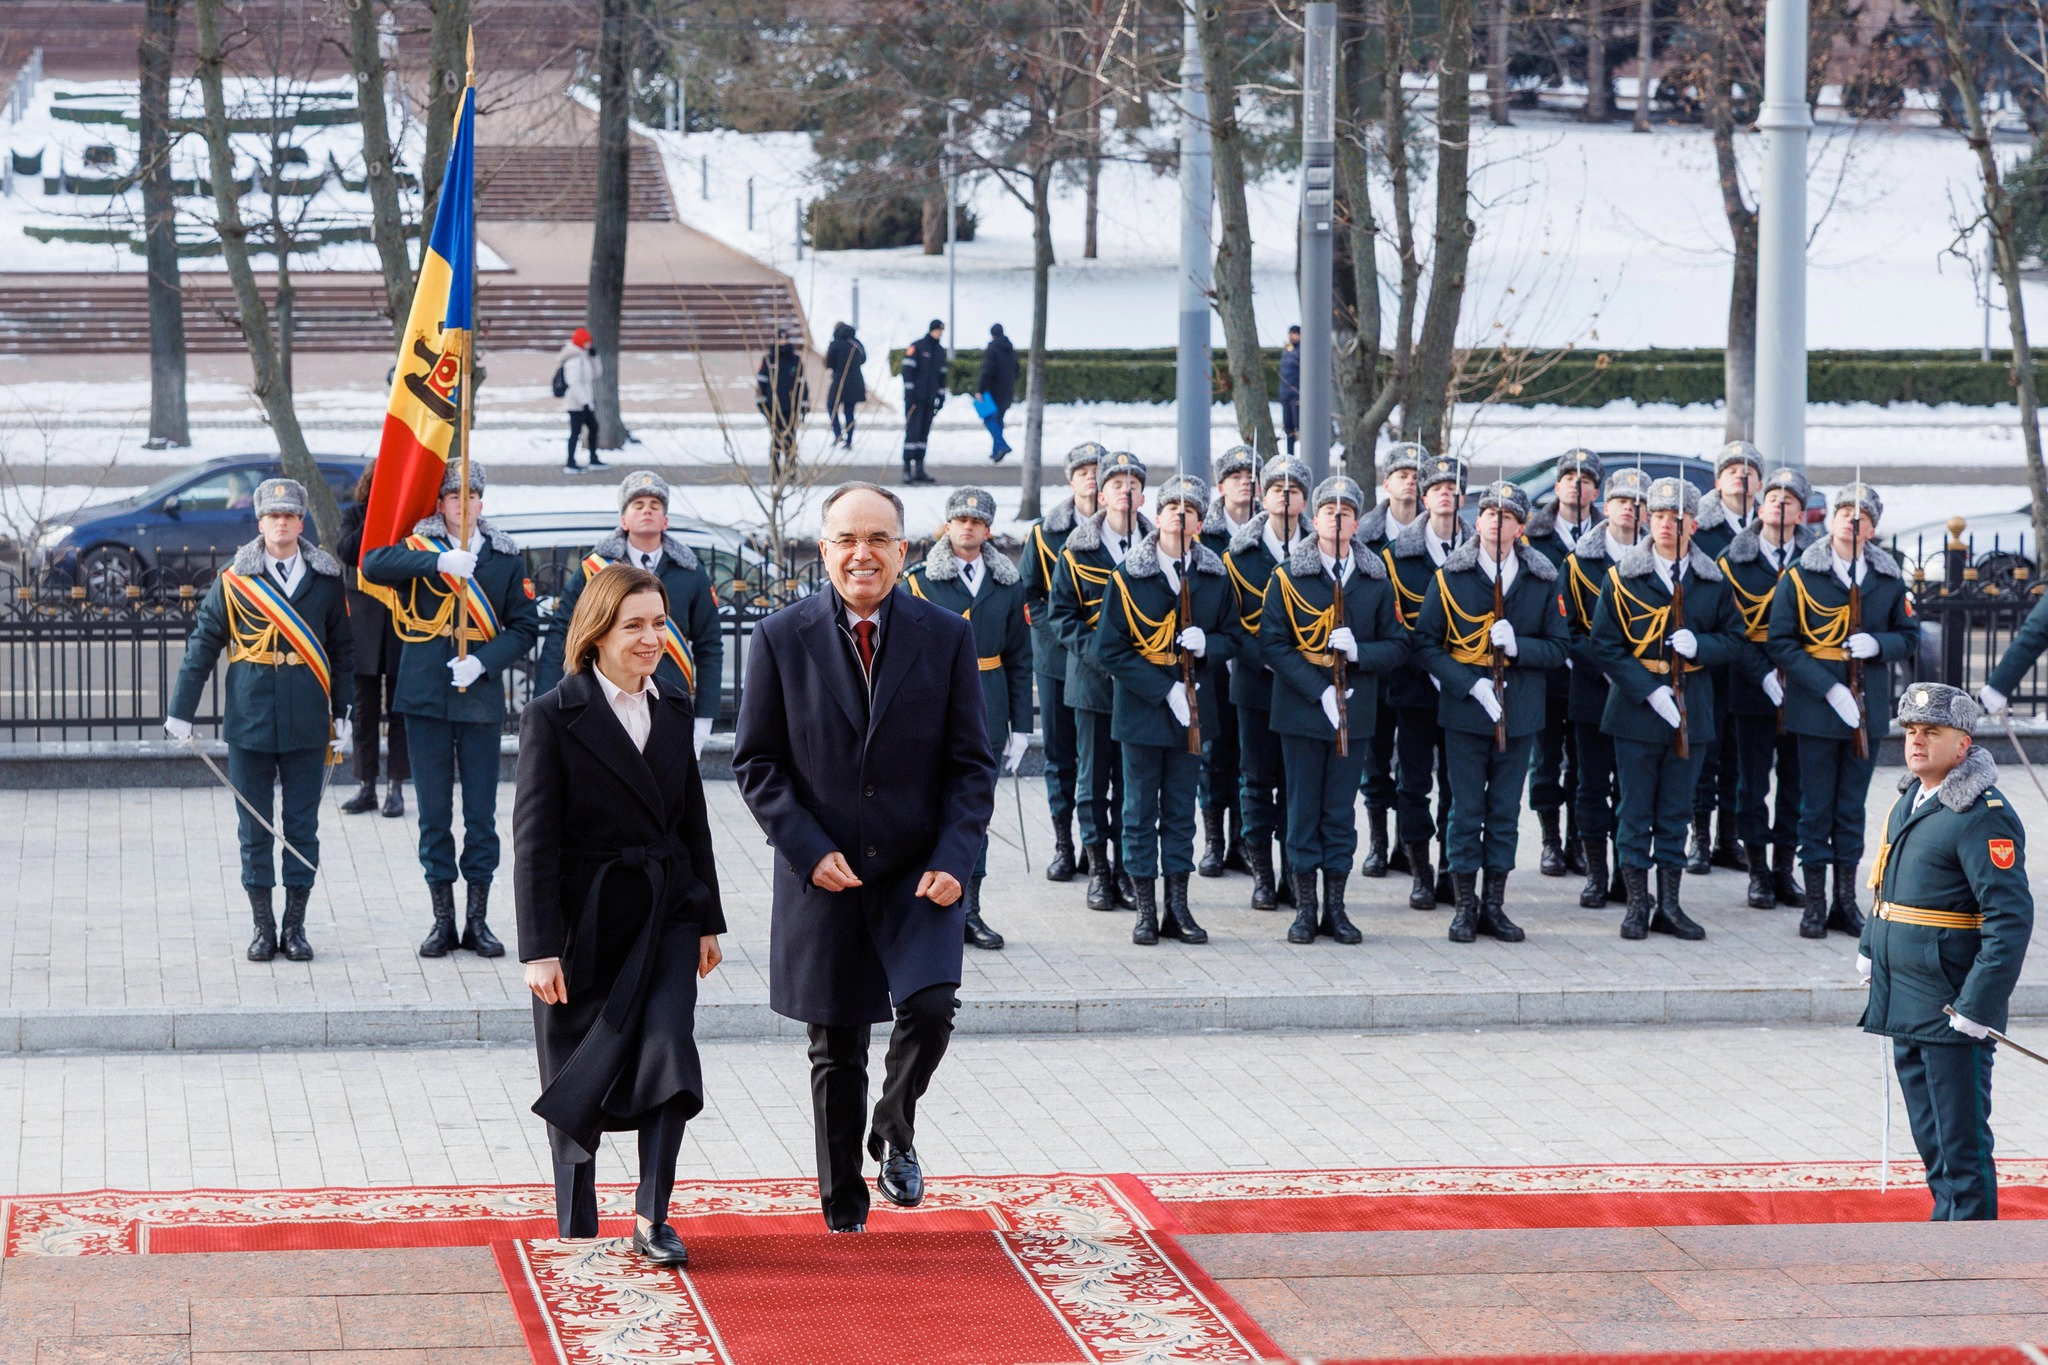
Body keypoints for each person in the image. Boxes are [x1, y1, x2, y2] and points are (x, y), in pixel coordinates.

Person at [732, 481, 997, 1234]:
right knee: (837, 1044)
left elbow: (971, 764)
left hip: (919, 870)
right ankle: (843, 1206)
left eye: (878, 539)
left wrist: (957, 853)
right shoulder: (781, 638)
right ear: (823, 550)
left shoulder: (945, 636)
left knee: (931, 1007)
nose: (862, 553)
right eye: (847, 539)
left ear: (903, 551)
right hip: (828, 875)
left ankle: (893, 1125)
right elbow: (757, 762)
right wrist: (807, 850)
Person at [513, 564, 726, 1259]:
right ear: (597, 632)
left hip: (665, 911)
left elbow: (693, 820)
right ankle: (576, 1216)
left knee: (671, 1051)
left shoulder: (674, 705)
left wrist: (709, 918)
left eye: (659, 622)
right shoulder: (553, 713)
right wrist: (538, 946)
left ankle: (651, 1215)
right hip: (585, 918)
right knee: (578, 1063)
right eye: (634, 624)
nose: (650, 637)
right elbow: (534, 842)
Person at [1860, 683, 2032, 1222]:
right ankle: (1950, 1233)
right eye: (1911, 731)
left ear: (1962, 744)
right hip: (1905, 994)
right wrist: (1870, 947)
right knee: (1931, 1137)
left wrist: (1977, 1008)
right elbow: (1887, 887)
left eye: (1931, 732)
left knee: (1959, 1143)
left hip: (1950, 1002)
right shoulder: (1909, 799)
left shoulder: (1982, 814)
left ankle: (1973, 1250)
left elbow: (2010, 919)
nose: (1916, 743)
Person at [165, 478, 353, 962]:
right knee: (254, 831)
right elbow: (204, 643)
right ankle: (263, 928)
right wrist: (180, 712)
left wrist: (344, 710)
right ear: (260, 522)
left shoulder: (327, 579)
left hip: (309, 725)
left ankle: (295, 928)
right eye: (274, 516)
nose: (282, 523)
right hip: (250, 723)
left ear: (302, 521)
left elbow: (342, 651)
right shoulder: (234, 579)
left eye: (290, 515)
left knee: (301, 827)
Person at [361, 461, 542, 960]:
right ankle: (442, 921)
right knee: (435, 816)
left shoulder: (504, 557)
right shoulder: (420, 547)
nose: (465, 504)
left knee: (481, 816)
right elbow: (373, 565)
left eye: (473, 496)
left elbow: (525, 627)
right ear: (440, 504)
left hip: (478, 699)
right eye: (455, 496)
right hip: (424, 697)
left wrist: (484, 662)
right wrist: (438, 565)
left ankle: (477, 921)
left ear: (483, 503)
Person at [1587, 476, 1743, 940]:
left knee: (1675, 810)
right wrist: (1649, 690)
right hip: (1637, 708)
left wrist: (1701, 647)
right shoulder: (1623, 577)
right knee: (1634, 810)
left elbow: (1735, 639)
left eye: (1674, 520)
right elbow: (1605, 644)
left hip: (1690, 704)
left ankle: (1670, 905)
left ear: (1692, 525)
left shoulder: (1712, 580)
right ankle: (1637, 905)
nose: (1664, 527)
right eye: (1657, 518)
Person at [1416, 479, 1569, 944]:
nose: (1495, 522)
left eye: (1506, 516)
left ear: (1521, 527)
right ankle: (1464, 906)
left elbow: (1560, 646)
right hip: (1465, 710)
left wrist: (1519, 647)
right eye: (1488, 513)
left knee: (1503, 811)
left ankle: (1495, 905)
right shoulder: (1451, 576)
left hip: (1519, 710)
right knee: (1465, 810)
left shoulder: (1543, 579)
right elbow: (1426, 643)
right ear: (1476, 521)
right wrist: (1468, 683)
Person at [1097, 474, 1244, 945]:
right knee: (1139, 812)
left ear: (1201, 523)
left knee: (1181, 811)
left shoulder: (1216, 575)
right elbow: (1111, 650)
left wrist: (1208, 648)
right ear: (1155, 517)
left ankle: (1177, 906)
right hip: (1144, 709)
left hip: (1196, 708)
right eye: (1171, 508)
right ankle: (1144, 909)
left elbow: (1234, 636)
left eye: (1192, 511)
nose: (1181, 516)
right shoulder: (1127, 575)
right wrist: (1165, 690)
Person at [1767, 481, 1918, 939]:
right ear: (1830, 521)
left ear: (1872, 528)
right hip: (1815, 709)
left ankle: (1845, 902)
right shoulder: (1800, 576)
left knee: (1850, 810)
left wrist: (1878, 644)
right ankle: (1814, 905)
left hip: (1865, 713)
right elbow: (1782, 643)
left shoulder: (1889, 581)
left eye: (1863, 517)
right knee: (1815, 808)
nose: (1853, 523)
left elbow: (1909, 636)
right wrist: (1827, 688)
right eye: (1845, 514)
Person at [1264, 475, 1408, 944]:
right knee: (1303, 810)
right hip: (1303, 710)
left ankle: (1337, 909)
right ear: (1316, 517)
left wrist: (1362, 653)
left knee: (1338, 813)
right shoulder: (1289, 575)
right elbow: (1274, 644)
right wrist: (1317, 689)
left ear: (1356, 521)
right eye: (1330, 510)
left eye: (1348, 511)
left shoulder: (1374, 578)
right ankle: (1305, 910)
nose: (1338, 518)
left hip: (1355, 710)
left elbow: (1398, 644)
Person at [905, 486, 1031, 951]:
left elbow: (1020, 656)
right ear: (948, 524)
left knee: (973, 811)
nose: (968, 527)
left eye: (977, 522)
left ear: (988, 530)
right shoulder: (920, 582)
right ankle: (925, 907)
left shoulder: (1006, 582)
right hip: (932, 706)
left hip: (988, 703)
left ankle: (969, 909)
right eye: (960, 520)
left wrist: (1021, 725)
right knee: (926, 809)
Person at [535, 471, 723, 759]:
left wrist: (704, 717)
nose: (647, 509)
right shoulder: (594, 569)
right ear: (623, 520)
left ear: (665, 520)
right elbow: (563, 633)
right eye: (638, 504)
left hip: (668, 700)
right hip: (605, 699)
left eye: (655, 505)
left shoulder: (691, 572)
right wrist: (548, 700)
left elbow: (709, 644)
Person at [1050, 450, 1151, 912]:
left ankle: (1129, 870)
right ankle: (1099, 872)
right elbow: (1063, 617)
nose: (1124, 492)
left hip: (1142, 686)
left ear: (1143, 495)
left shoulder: (1159, 547)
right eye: (1116, 484)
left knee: (1131, 785)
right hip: (1092, 681)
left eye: (1133, 485)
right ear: (1101, 493)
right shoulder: (1078, 549)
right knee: (1092, 784)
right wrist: (1105, 658)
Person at [1719, 467, 1818, 911]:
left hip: (1802, 681)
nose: (1780, 504)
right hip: (1750, 680)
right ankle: (1757, 871)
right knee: (1751, 783)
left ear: (1801, 513)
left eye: (1790, 499)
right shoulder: (1733, 560)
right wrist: (1761, 674)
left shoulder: (1816, 561)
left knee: (1795, 784)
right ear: (1760, 508)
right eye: (1773, 496)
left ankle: (1784, 868)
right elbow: (1732, 630)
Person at [1381, 453, 1469, 911]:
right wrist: (1432, 668)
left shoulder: (1482, 551)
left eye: (1454, 489)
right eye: (1437, 488)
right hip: (1415, 687)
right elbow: (1396, 626)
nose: (1445, 495)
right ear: (1425, 497)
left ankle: (1453, 868)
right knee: (1413, 783)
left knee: (1459, 786)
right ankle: (1420, 871)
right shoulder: (1398, 557)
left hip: (1467, 690)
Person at [1223, 457, 1311, 910]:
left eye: (1294, 487)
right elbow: (1232, 622)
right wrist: (1269, 659)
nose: (1284, 493)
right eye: (1276, 485)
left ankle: (1295, 873)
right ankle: (1262, 874)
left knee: (1296, 783)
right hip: (1257, 682)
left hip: (1304, 685)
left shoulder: (1320, 549)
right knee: (1256, 781)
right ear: (1262, 494)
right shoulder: (1239, 554)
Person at [1562, 467, 1650, 909]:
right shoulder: (1579, 562)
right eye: (1621, 502)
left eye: (1638, 504)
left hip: (1644, 693)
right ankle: (1597, 875)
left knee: (1632, 791)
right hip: (1595, 688)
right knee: (1592, 784)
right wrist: (1608, 667)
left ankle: (1627, 875)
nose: (1629, 510)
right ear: (1606, 507)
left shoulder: (1660, 561)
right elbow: (1569, 630)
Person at [1023, 443, 1106, 881]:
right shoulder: (1045, 533)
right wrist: (1064, 637)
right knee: (1060, 757)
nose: (1091, 477)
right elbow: (1033, 595)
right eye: (1082, 471)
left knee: (1101, 761)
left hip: (1104, 663)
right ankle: (1062, 843)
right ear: (1070, 479)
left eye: (1098, 470)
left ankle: (1102, 851)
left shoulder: (1120, 532)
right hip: (1058, 659)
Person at [1521, 448, 1604, 880]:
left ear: (1596, 489)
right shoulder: (1535, 537)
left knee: (1586, 764)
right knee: (1547, 760)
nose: (1577, 484)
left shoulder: (1607, 538)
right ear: (1556, 487)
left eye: (1586, 478)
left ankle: (1578, 841)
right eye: (1569, 477)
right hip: (1551, 670)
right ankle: (1551, 841)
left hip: (1592, 670)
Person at [1689, 441, 1766, 876]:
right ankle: (1699, 838)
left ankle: (1728, 837)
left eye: (1750, 469)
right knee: (1708, 750)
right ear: (1717, 481)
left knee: (1740, 756)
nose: (1742, 475)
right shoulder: (1703, 529)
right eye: (1732, 469)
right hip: (1714, 659)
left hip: (1750, 663)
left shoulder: (1768, 525)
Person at [1356, 443, 1429, 880]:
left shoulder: (1441, 534)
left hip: (1421, 670)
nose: (1411, 480)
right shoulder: (1366, 536)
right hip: (1379, 667)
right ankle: (1379, 841)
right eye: (1402, 473)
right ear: (1386, 484)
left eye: (1417, 474)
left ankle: (1408, 842)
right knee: (1375, 758)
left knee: (1415, 765)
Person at [1199, 446, 1260, 878]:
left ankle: (1244, 837)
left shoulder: (1272, 528)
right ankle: (1216, 840)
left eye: (1250, 475)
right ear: (1221, 487)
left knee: (1251, 756)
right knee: (1215, 756)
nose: (1245, 481)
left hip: (1259, 658)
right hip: (1216, 659)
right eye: (1235, 475)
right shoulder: (1206, 535)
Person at [336, 465, 409, 819]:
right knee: (363, 711)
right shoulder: (354, 515)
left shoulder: (408, 518)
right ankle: (366, 785)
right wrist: (376, 518)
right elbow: (348, 551)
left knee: (398, 710)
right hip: (362, 622)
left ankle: (396, 787)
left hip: (398, 622)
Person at [900, 318, 947, 486]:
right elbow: (907, 371)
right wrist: (910, 394)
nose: (940, 333)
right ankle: (907, 468)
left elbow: (942, 376)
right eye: (938, 330)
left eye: (942, 331)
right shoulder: (918, 347)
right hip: (915, 400)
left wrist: (941, 396)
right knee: (912, 434)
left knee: (923, 435)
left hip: (929, 400)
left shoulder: (940, 351)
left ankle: (919, 469)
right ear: (932, 330)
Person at [756, 326, 809, 472]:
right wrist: (762, 404)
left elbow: (802, 384)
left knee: (790, 440)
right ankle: (775, 472)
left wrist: (803, 405)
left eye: (785, 338)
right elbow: (761, 383)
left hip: (791, 409)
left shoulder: (795, 360)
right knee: (775, 439)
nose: (782, 341)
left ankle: (791, 471)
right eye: (780, 338)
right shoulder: (769, 359)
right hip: (773, 407)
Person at [557, 327, 605, 474]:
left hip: (585, 402)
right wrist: (584, 402)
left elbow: (596, 374)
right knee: (576, 432)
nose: (588, 344)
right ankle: (571, 462)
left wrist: (594, 357)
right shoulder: (574, 358)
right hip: (576, 403)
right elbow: (574, 383)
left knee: (593, 427)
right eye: (586, 342)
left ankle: (593, 458)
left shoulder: (584, 356)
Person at [976, 323, 1018, 462]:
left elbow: (987, 371)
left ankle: (1001, 445)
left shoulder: (992, 349)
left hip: (993, 391)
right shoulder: (1010, 349)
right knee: (999, 420)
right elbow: (1017, 369)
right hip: (1007, 390)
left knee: (988, 419)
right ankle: (996, 452)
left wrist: (980, 390)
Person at [824, 321, 867, 449]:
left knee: (831, 406)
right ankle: (849, 441)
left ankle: (837, 434)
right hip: (856, 381)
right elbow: (864, 359)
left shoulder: (835, 344)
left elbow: (828, 363)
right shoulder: (856, 343)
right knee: (849, 411)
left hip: (839, 381)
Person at [1277, 325, 1301, 457]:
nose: (1291, 336)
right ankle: (1290, 454)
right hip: (1285, 394)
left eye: (1294, 334)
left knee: (1299, 426)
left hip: (1296, 394)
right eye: (1290, 333)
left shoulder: (1302, 350)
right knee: (1288, 428)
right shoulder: (1287, 350)